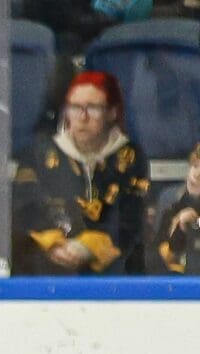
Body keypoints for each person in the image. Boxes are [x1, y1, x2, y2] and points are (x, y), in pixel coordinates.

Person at [14, 68, 150, 274]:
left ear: (112, 112)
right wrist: (53, 242)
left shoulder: (130, 155)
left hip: (114, 277)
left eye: (93, 108)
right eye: (75, 107)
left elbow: (131, 216)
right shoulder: (39, 152)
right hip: (45, 270)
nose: (82, 117)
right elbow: (23, 204)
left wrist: (89, 247)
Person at [152, 153, 200, 272]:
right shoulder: (173, 209)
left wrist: (196, 223)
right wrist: (181, 227)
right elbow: (158, 255)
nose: (196, 175)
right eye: (195, 166)